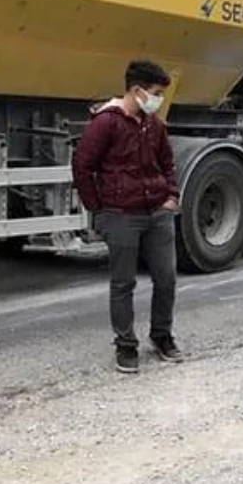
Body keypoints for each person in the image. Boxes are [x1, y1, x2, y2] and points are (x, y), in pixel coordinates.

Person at [72, 60, 183, 374]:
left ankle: (162, 336)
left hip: (157, 213)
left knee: (167, 278)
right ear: (137, 90)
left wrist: (171, 197)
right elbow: (83, 166)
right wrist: (99, 209)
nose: (158, 99)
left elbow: (167, 163)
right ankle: (126, 346)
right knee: (123, 283)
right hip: (121, 215)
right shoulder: (106, 123)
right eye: (156, 93)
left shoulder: (155, 125)